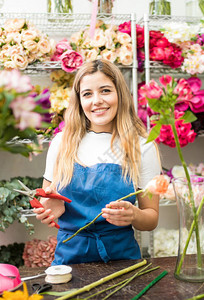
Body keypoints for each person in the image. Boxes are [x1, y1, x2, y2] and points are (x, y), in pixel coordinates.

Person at [37, 59, 161, 265]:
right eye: (87, 94)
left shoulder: (143, 147)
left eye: (105, 91)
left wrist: (135, 215)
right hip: (69, 260)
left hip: (123, 261)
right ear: (79, 101)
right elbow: (47, 201)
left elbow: (151, 219)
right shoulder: (61, 143)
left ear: (120, 94)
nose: (96, 101)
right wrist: (48, 210)